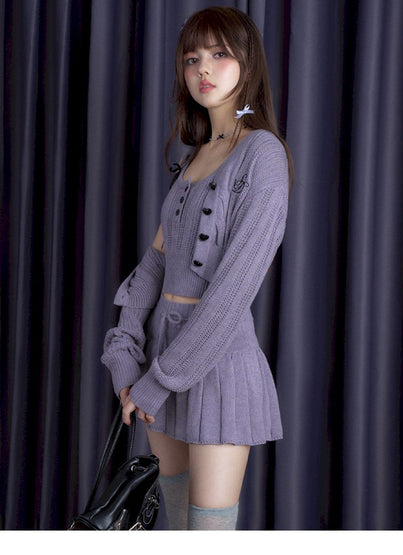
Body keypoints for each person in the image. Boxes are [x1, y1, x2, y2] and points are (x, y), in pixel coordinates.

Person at [101, 6, 292, 530]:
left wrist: (160, 380)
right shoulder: (195, 156)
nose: (202, 68)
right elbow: (154, 266)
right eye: (191, 58)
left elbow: (233, 291)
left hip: (217, 364)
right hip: (159, 356)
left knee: (208, 532)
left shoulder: (262, 154)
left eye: (219, 54)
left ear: (248, 64)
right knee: (174, 521)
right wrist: (124, 353)